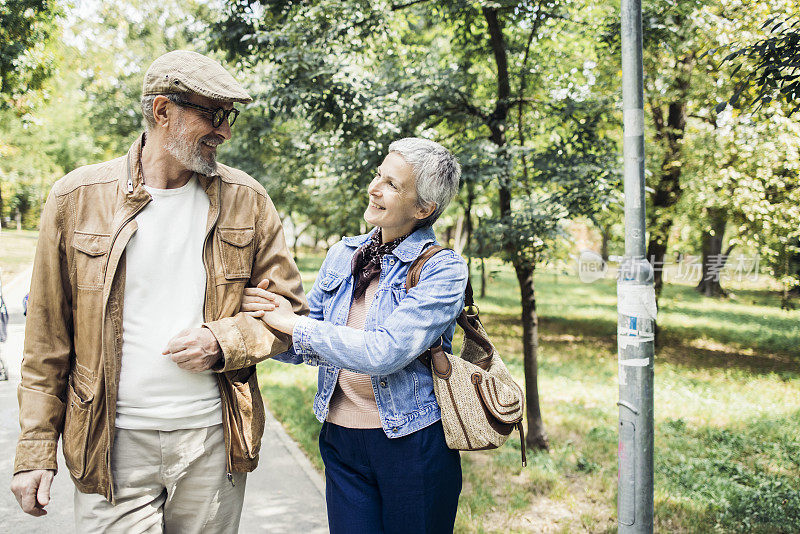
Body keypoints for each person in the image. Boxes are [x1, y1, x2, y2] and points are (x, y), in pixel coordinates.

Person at [10, 50, 308, 533]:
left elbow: (288, 314)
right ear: (162, 111)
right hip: (111, 442)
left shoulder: (248, 200)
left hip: (212, 439)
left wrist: (223, 341)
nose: (225, 131)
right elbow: (46, 341)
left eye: (227, 117)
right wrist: (35, 450)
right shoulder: (75, 198)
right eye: (211, 115)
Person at [242, 138, 467, 534]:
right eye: (378, 174)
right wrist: (263, 317)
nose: (374, 187)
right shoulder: (343, 255)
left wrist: (294, 323)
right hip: (341, 440)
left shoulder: (443, 271)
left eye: (392, 184)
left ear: (423, 208)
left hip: (411, 443)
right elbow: (305, 346)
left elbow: (385, 351)